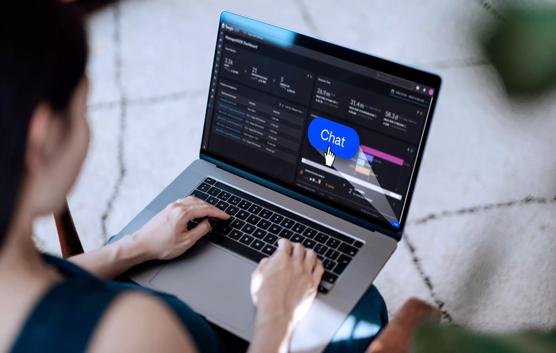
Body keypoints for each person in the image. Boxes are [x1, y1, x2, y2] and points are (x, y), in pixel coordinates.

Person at [0, 1, 387, 353]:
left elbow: (46, 282)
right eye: (83, 108)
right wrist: (277, 317)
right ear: (45, 138)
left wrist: (134, 246)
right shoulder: (132, 332)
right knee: (365, 309)